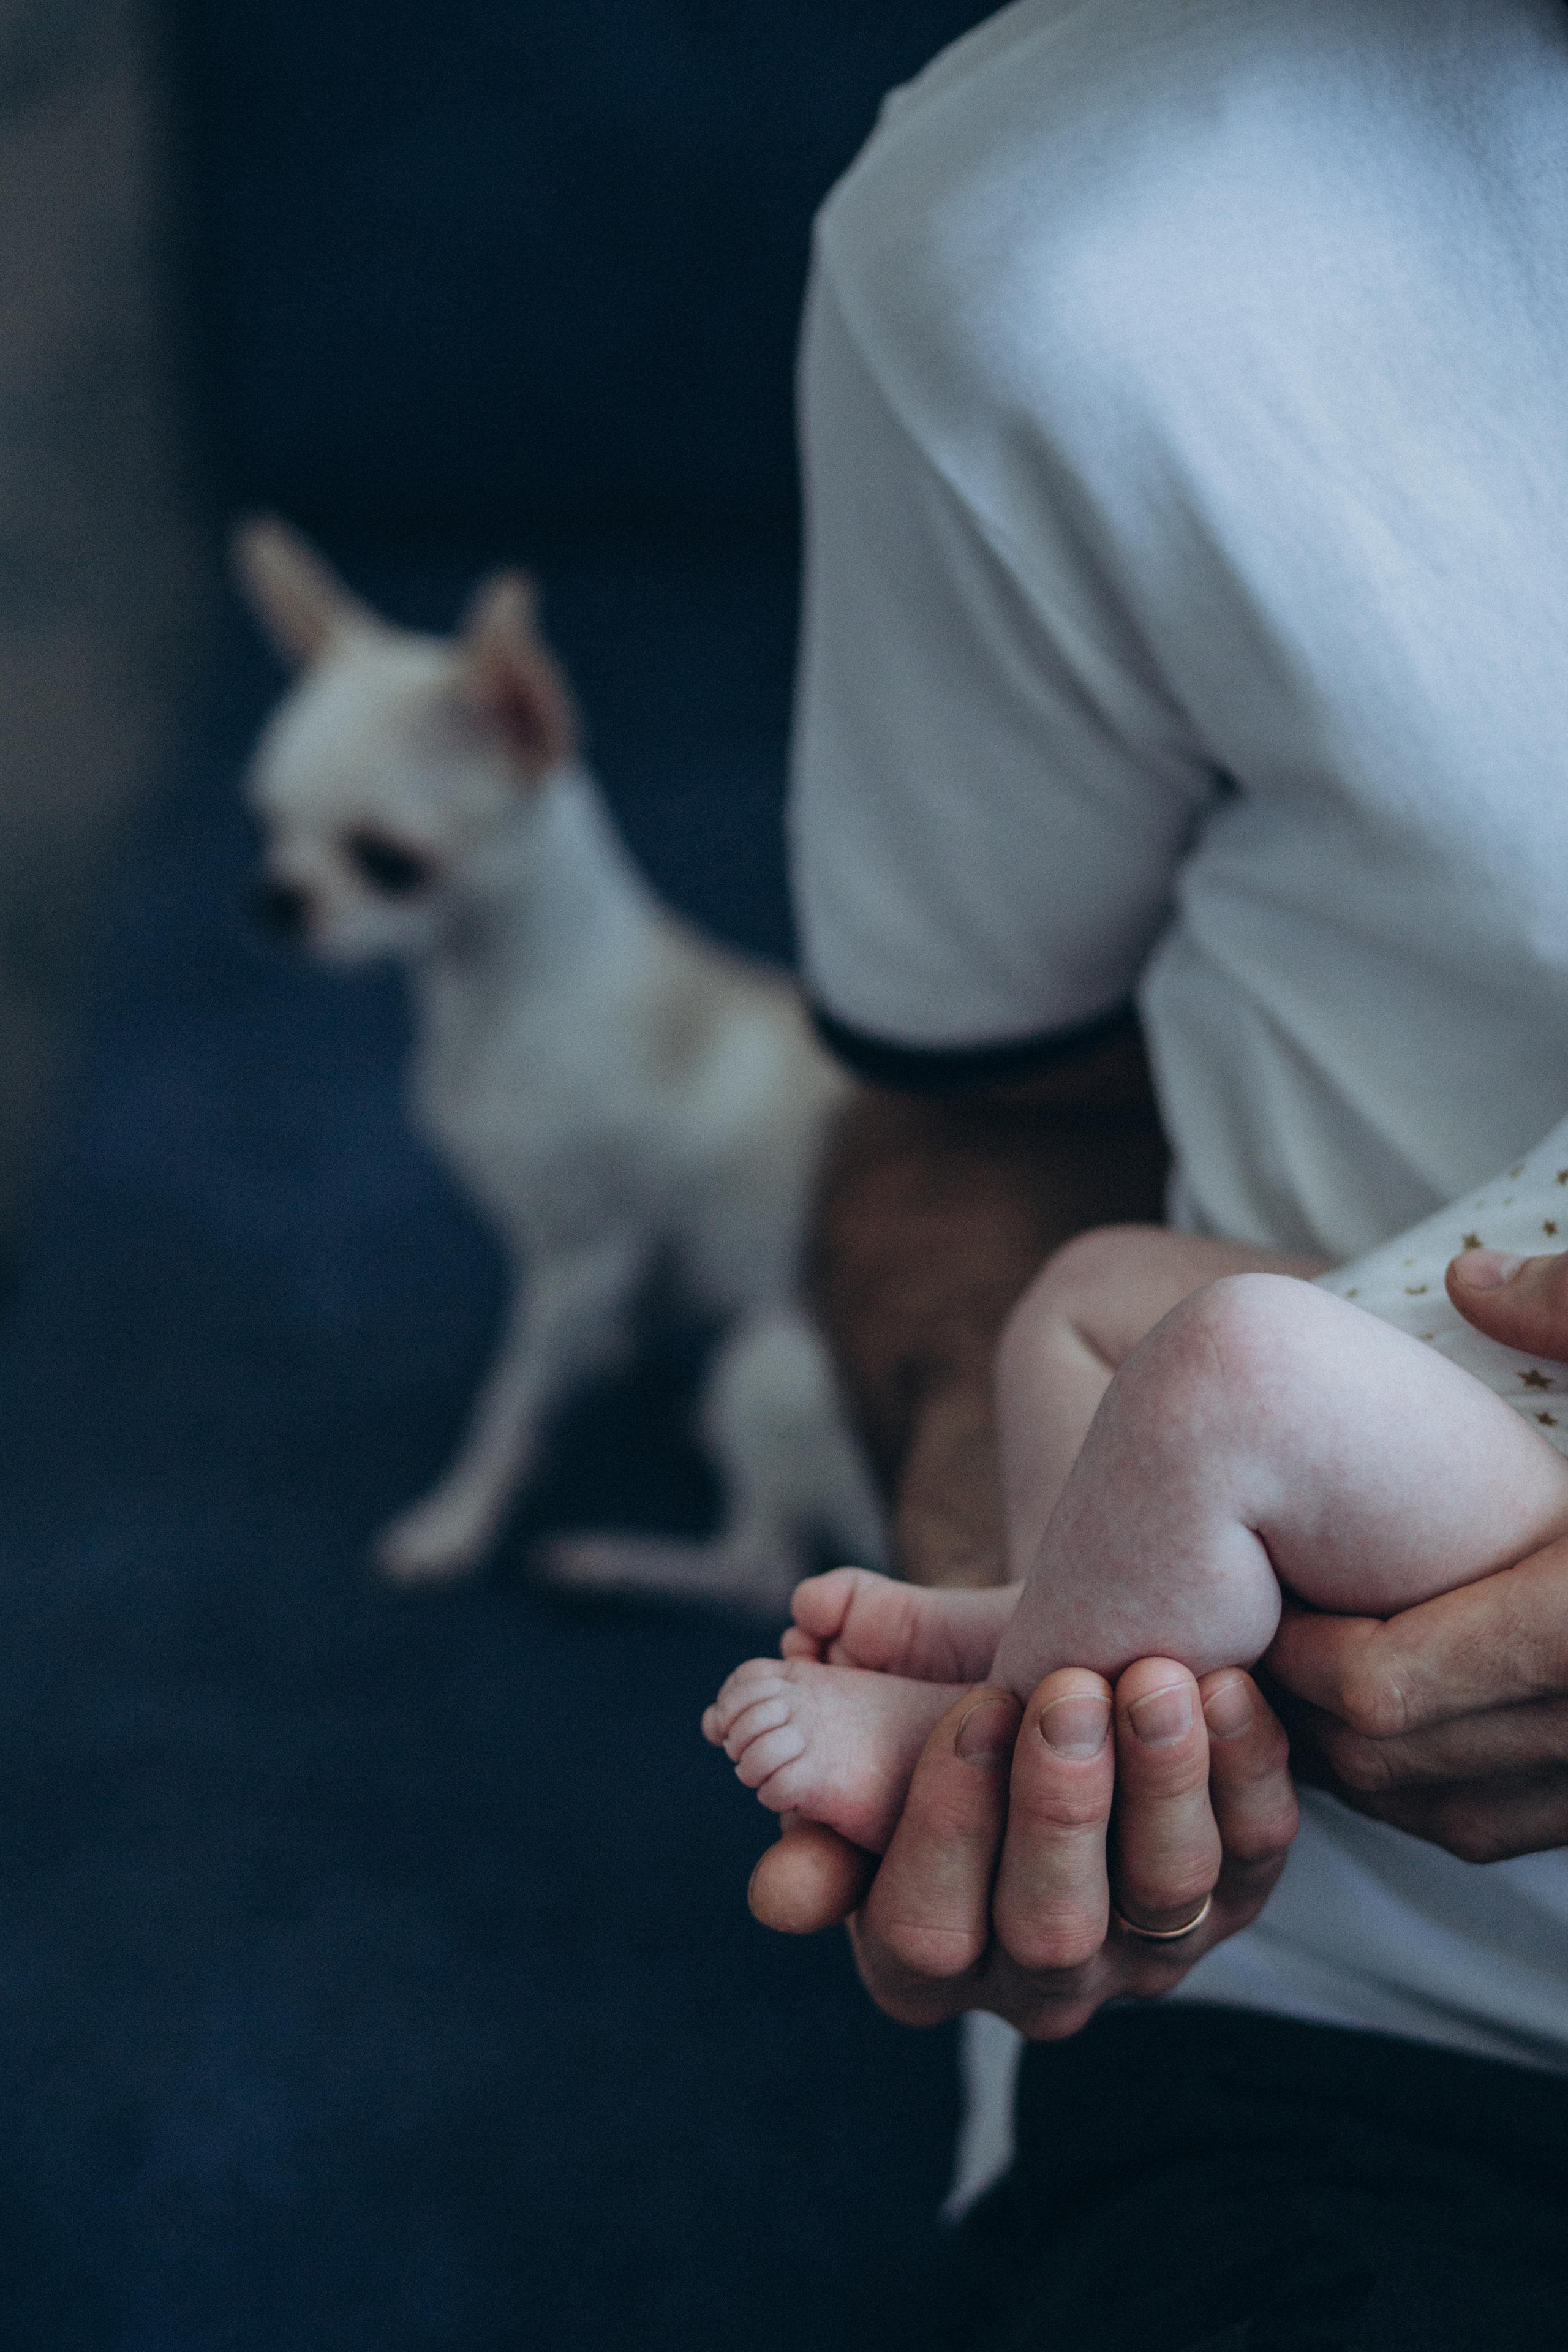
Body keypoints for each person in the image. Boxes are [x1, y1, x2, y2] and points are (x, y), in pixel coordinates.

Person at [744, 1, 1568, 2342]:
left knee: (1205, 1367)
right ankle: (1075, 1709)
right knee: (1111, 1301)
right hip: (1400, 2029)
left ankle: (1025, 1692)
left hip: (1399, 1420)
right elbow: (965, 1126)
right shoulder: (1053, 242)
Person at [705, 1129, 1568, 1855]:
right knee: (1093, 1286)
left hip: (1543, 1435)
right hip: (1457, 1304)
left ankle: (988, 1737)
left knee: (1238, 1365)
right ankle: (1038, 1610)